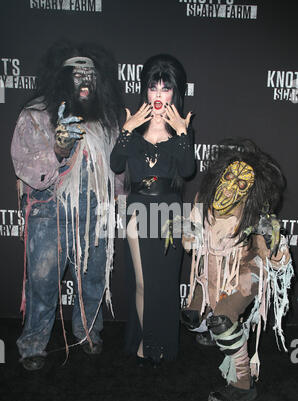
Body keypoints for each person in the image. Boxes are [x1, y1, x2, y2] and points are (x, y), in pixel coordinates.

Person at [11, 41, 122, 371]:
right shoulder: (34, 116)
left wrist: (119, 207)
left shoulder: (107, 122)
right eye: (76, 74)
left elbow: (117, 174)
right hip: (49, 215)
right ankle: (33, 343)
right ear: (61, 79)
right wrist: (59, 150)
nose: (85, 81)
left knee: (92, 281)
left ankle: (88, 333)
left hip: (95, 214)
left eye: (90, 74)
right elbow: (26, 167)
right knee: (43, 283)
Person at [183, 139, 294, 401]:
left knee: (223, 319)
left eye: (242, 184)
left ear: (251, 191)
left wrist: (275, 245)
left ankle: (243, 385)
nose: (231, 185)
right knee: (192, 316)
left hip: (248, 271)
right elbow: (190, 242)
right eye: (229, 176)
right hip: (214, 270)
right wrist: (192, 233)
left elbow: (278, 266)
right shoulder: (204, 200)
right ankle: (214, 327)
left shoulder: (257, 215)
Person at [110, 54, 195, 366]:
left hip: (172, 213)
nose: (159, 96)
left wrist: (183, 135)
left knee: (165, 284)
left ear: (175, 93)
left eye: (166, 89)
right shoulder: (133, 128)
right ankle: (148, 341)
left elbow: (187, 171)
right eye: (153, 88)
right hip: (139, 211)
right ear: (145, 91)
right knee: (144, 282)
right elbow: (116, 164)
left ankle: (161, 344)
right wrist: (126, 131)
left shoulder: (180, 129)